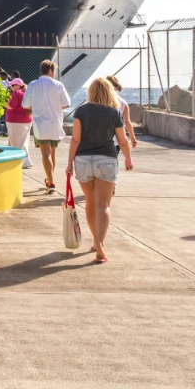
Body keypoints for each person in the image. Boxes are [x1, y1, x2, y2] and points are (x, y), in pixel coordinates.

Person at [66, 78, 133, 263]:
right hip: (106, 160)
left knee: (90, 203)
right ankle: (99, 243)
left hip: (83, 159)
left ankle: (96, 241)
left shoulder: (81, 111)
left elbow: (75, 139)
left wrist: (69, 163)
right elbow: (122, 140)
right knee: (104, 205)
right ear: (109, 91)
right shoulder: (114, 112)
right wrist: (128, 158)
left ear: (91, 92)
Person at [22, 59, 72, 193]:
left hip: (40, 124)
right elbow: (67, 103)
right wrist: (55, 107)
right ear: (50, 71)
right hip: (55, 123)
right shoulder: (58, 85)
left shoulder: (32, 85)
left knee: (45, 153)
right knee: (52, 152)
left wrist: (36, 106)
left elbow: (25, 104)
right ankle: (50, 179)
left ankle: (50, 182)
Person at [5, 77, 34, 169]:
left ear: (17, 86)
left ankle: (20, 162)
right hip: (27, 120)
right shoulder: (27, 93)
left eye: (12, 85)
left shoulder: (16, 93)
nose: (11, 87)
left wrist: (2, 102)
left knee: (16, 143)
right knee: (24, 141)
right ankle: (27, 160)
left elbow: (11, 106)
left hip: (15, 121)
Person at [105, 75, 138, 150]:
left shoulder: (95, 101)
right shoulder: (122, 103)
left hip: (97, 141)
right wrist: (133, 138)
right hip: (115, 141)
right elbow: (127, 122)